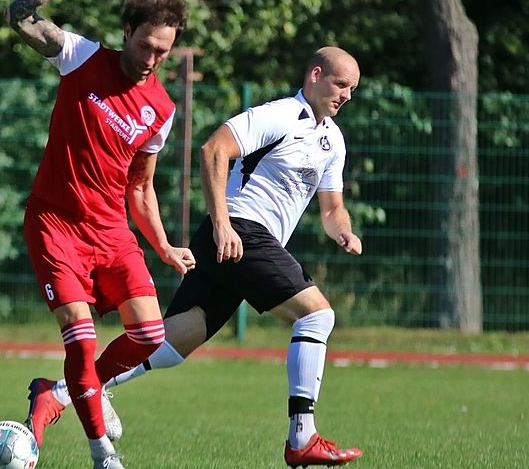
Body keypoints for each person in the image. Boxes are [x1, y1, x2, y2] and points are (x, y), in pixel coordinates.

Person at [28, 47, 366, 467]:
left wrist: (344, 231)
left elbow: (332, 209)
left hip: (241, 241)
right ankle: (302, 436)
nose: (346, 95)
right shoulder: (278, 115)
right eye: (340, 84)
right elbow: (213, 150)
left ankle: (57, 392)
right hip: (241, 231)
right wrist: (223, 223)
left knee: (176, 339)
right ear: (315, 75)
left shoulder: (332, 139)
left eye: (352, 89)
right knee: (317, 316)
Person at [4, 0, 195, 469]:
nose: (153, 59)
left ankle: (58, 390)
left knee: (149, 335)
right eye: (147, 46)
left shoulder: (162, 109)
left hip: (111, 233)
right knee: (82, 343)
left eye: (164, 52)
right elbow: (18, 15)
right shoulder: (81, 56)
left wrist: (163, 247)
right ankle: (100, 452)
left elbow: (141, 189)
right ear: (127, 30)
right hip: (56, 224)